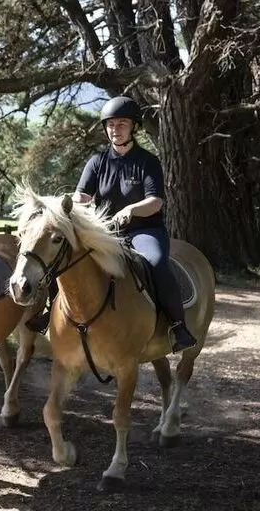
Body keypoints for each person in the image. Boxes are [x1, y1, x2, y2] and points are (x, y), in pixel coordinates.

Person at [70, 95, 197, 353]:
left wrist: (131, 209)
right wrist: (74, 207)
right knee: (68, 258)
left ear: (134, 127)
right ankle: (49, 317)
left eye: (121, 124)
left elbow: (155, 202)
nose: (115, 130)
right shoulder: (97, 162)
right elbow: (81, 196)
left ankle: (177, 326)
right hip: (105, 232)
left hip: (144, 231)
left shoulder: (148, 162)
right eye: (110, 125)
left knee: (156, 264)